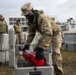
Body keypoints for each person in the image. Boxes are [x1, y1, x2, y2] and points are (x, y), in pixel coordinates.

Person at [21, 2, 63, 75]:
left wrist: (42, 49)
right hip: (46, 34)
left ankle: (58, 73)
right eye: (25, 15)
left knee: (56, 53)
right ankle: (38, 70)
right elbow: (31, 34)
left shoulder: (42, 18)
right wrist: (27, 45)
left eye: (27, 14)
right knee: (36, 51)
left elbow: (48, 33)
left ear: (32, 10)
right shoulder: (30, 21)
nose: (26, 16)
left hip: (56, 33)